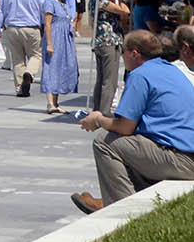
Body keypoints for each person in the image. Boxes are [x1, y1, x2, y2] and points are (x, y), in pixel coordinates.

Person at [71, 31, 194, 213]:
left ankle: (123, 210)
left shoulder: (140, 75)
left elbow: (125, 127)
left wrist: (97, 119)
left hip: (180, 160)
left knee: (105, 141)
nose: (122, 56)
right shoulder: (171, 69)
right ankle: (123, 198)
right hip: (185, 155)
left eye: (122, 51)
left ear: (134, 53)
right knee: (130, 144)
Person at [0, 0, 47, 97]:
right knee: (36, 55)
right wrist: (44, 25)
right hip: (31, 27)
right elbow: (43, 9)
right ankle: (29, 73)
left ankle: (20, 87)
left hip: (12, 28)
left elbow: (0, 10)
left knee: (17, 59)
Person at [92, 0, 134, 112]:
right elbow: (126, 11)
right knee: (110, 80)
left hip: (100, 41)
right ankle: (104, 111)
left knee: (102, 78)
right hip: (109, 41)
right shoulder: (102, 1)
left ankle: (98, 109)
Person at [42, 0, 81, 113]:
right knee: (51, 67)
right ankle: (50, 103)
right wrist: (49, 44)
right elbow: (47, 24)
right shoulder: (49, 2)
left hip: (65, 39)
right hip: (55, 37)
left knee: (62, 68)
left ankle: (56, 102)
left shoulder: (63, 3)